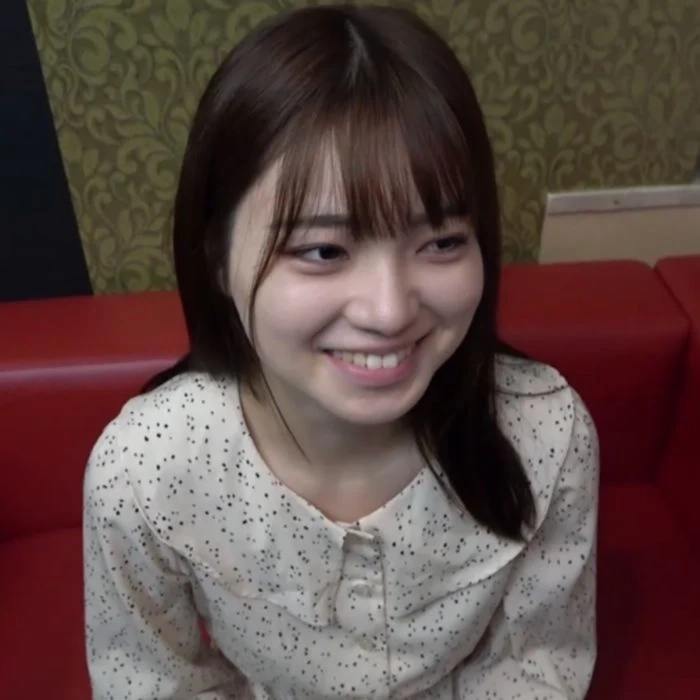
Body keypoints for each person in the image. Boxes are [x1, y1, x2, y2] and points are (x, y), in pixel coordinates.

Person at [82, 4, 599, 699]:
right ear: (216, 259)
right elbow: (152, 681)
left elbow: (537, 664)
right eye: (323, 250)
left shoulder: (547, 434)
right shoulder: (143, 472)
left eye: (442, 241)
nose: (390, 311)